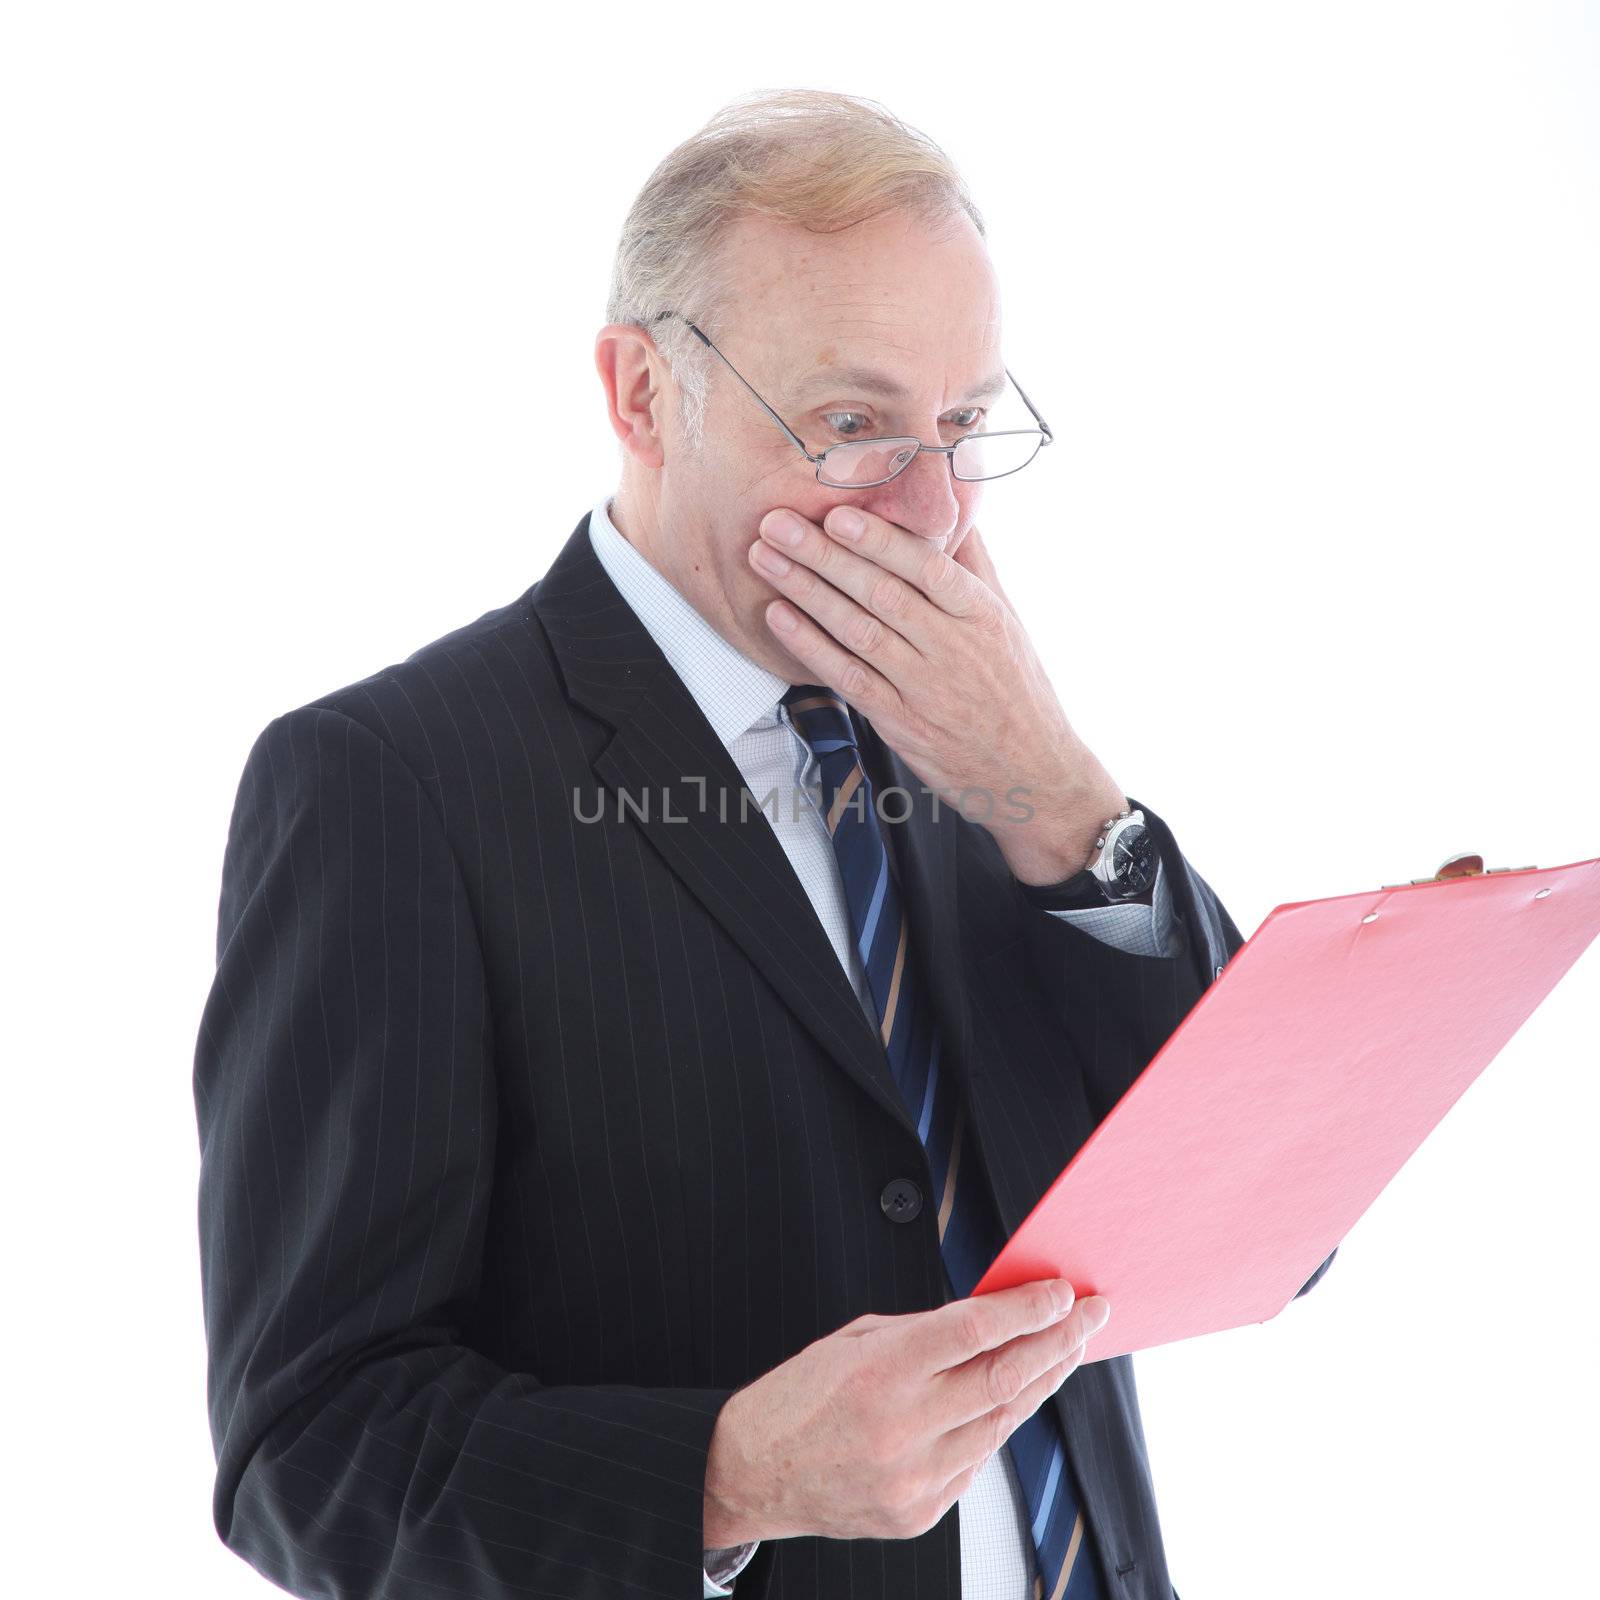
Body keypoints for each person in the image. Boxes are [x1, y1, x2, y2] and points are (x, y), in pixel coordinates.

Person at [192, 88, 1336, 1600]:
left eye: (965, 425)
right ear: (644, 393)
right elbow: (310, 1453)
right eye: (854, 425)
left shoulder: (984, 731)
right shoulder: (385, 784)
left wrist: (1059, 799)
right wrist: (730, 1472)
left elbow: (1270, 1224)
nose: (930, 514)